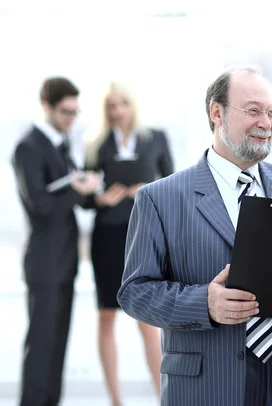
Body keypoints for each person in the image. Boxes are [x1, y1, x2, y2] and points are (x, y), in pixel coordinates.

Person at [117, 67, 272, 406]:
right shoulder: (161, 198)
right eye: (253, 110)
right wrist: (205, 304)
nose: (266, 123)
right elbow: (134, 293)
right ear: (217, 112)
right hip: (206, 385)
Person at [12, 77, 102, 406]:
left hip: (65, 262)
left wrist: (95, 194)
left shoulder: (62, 145)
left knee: (57, 346)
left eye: (75, 112)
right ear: (46, 106)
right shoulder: (28, 147)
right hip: (44, 263)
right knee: (41, 346)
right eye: (65, 111)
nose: (70, 119)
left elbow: (73, 197)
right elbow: (41, 206)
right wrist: (77, 190)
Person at [83, 82, 174, 405]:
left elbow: (172, 184)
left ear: (132, 104)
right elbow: (85, 197)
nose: (116, 110)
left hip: (143, 233)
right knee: (106, 314)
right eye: (110, 105)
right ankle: (116, 400)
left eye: (121, 103)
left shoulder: (156, 138)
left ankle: (164, 395)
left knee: (147, 320)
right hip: (107, 235)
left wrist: (147, 190)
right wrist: (99, 198)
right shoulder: (95, 144)